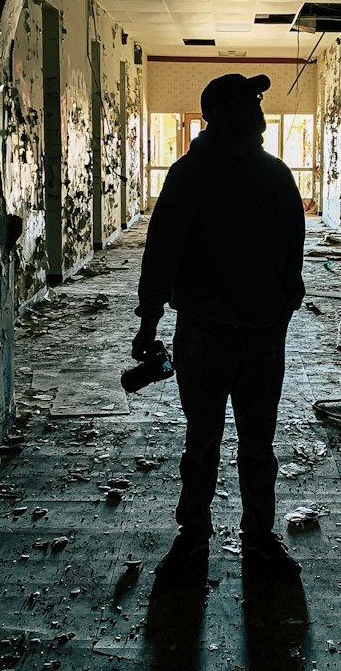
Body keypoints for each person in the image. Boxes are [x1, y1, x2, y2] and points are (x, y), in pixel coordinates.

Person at [131, 72, 306, 582]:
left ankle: (235, 538)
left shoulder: (256, 175)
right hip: (215, 333)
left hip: (238, 334)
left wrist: (281, 312)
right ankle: (209, 537)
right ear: (228, 115)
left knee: (245, 442)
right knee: (214, 440)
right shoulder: (208, 176)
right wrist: (149, 318)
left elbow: (291, 256)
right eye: (251, 104)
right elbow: (160, 255)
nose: (260, 114)